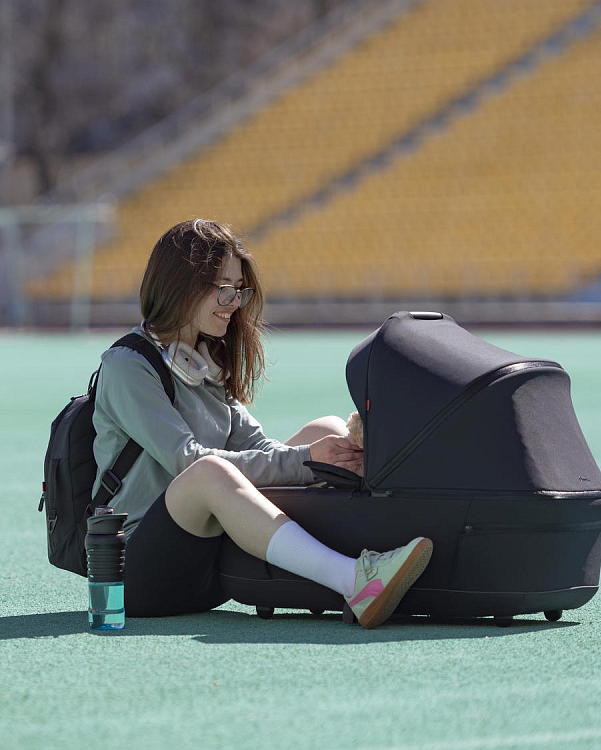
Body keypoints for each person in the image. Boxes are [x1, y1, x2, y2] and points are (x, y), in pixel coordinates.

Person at [92, 219, 433, 629]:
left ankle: (382, 551)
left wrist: (323, 455)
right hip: (135, 574)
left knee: (327, 430)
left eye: (239, 289)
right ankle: (353, 579)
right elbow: (188, 461)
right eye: (224, 287)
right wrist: (307, 461)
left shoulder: (202, 360)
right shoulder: (127, 366)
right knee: (209, 471)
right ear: (180, 284)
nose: (234, 301)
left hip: (209, 564)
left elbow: (262, 448)